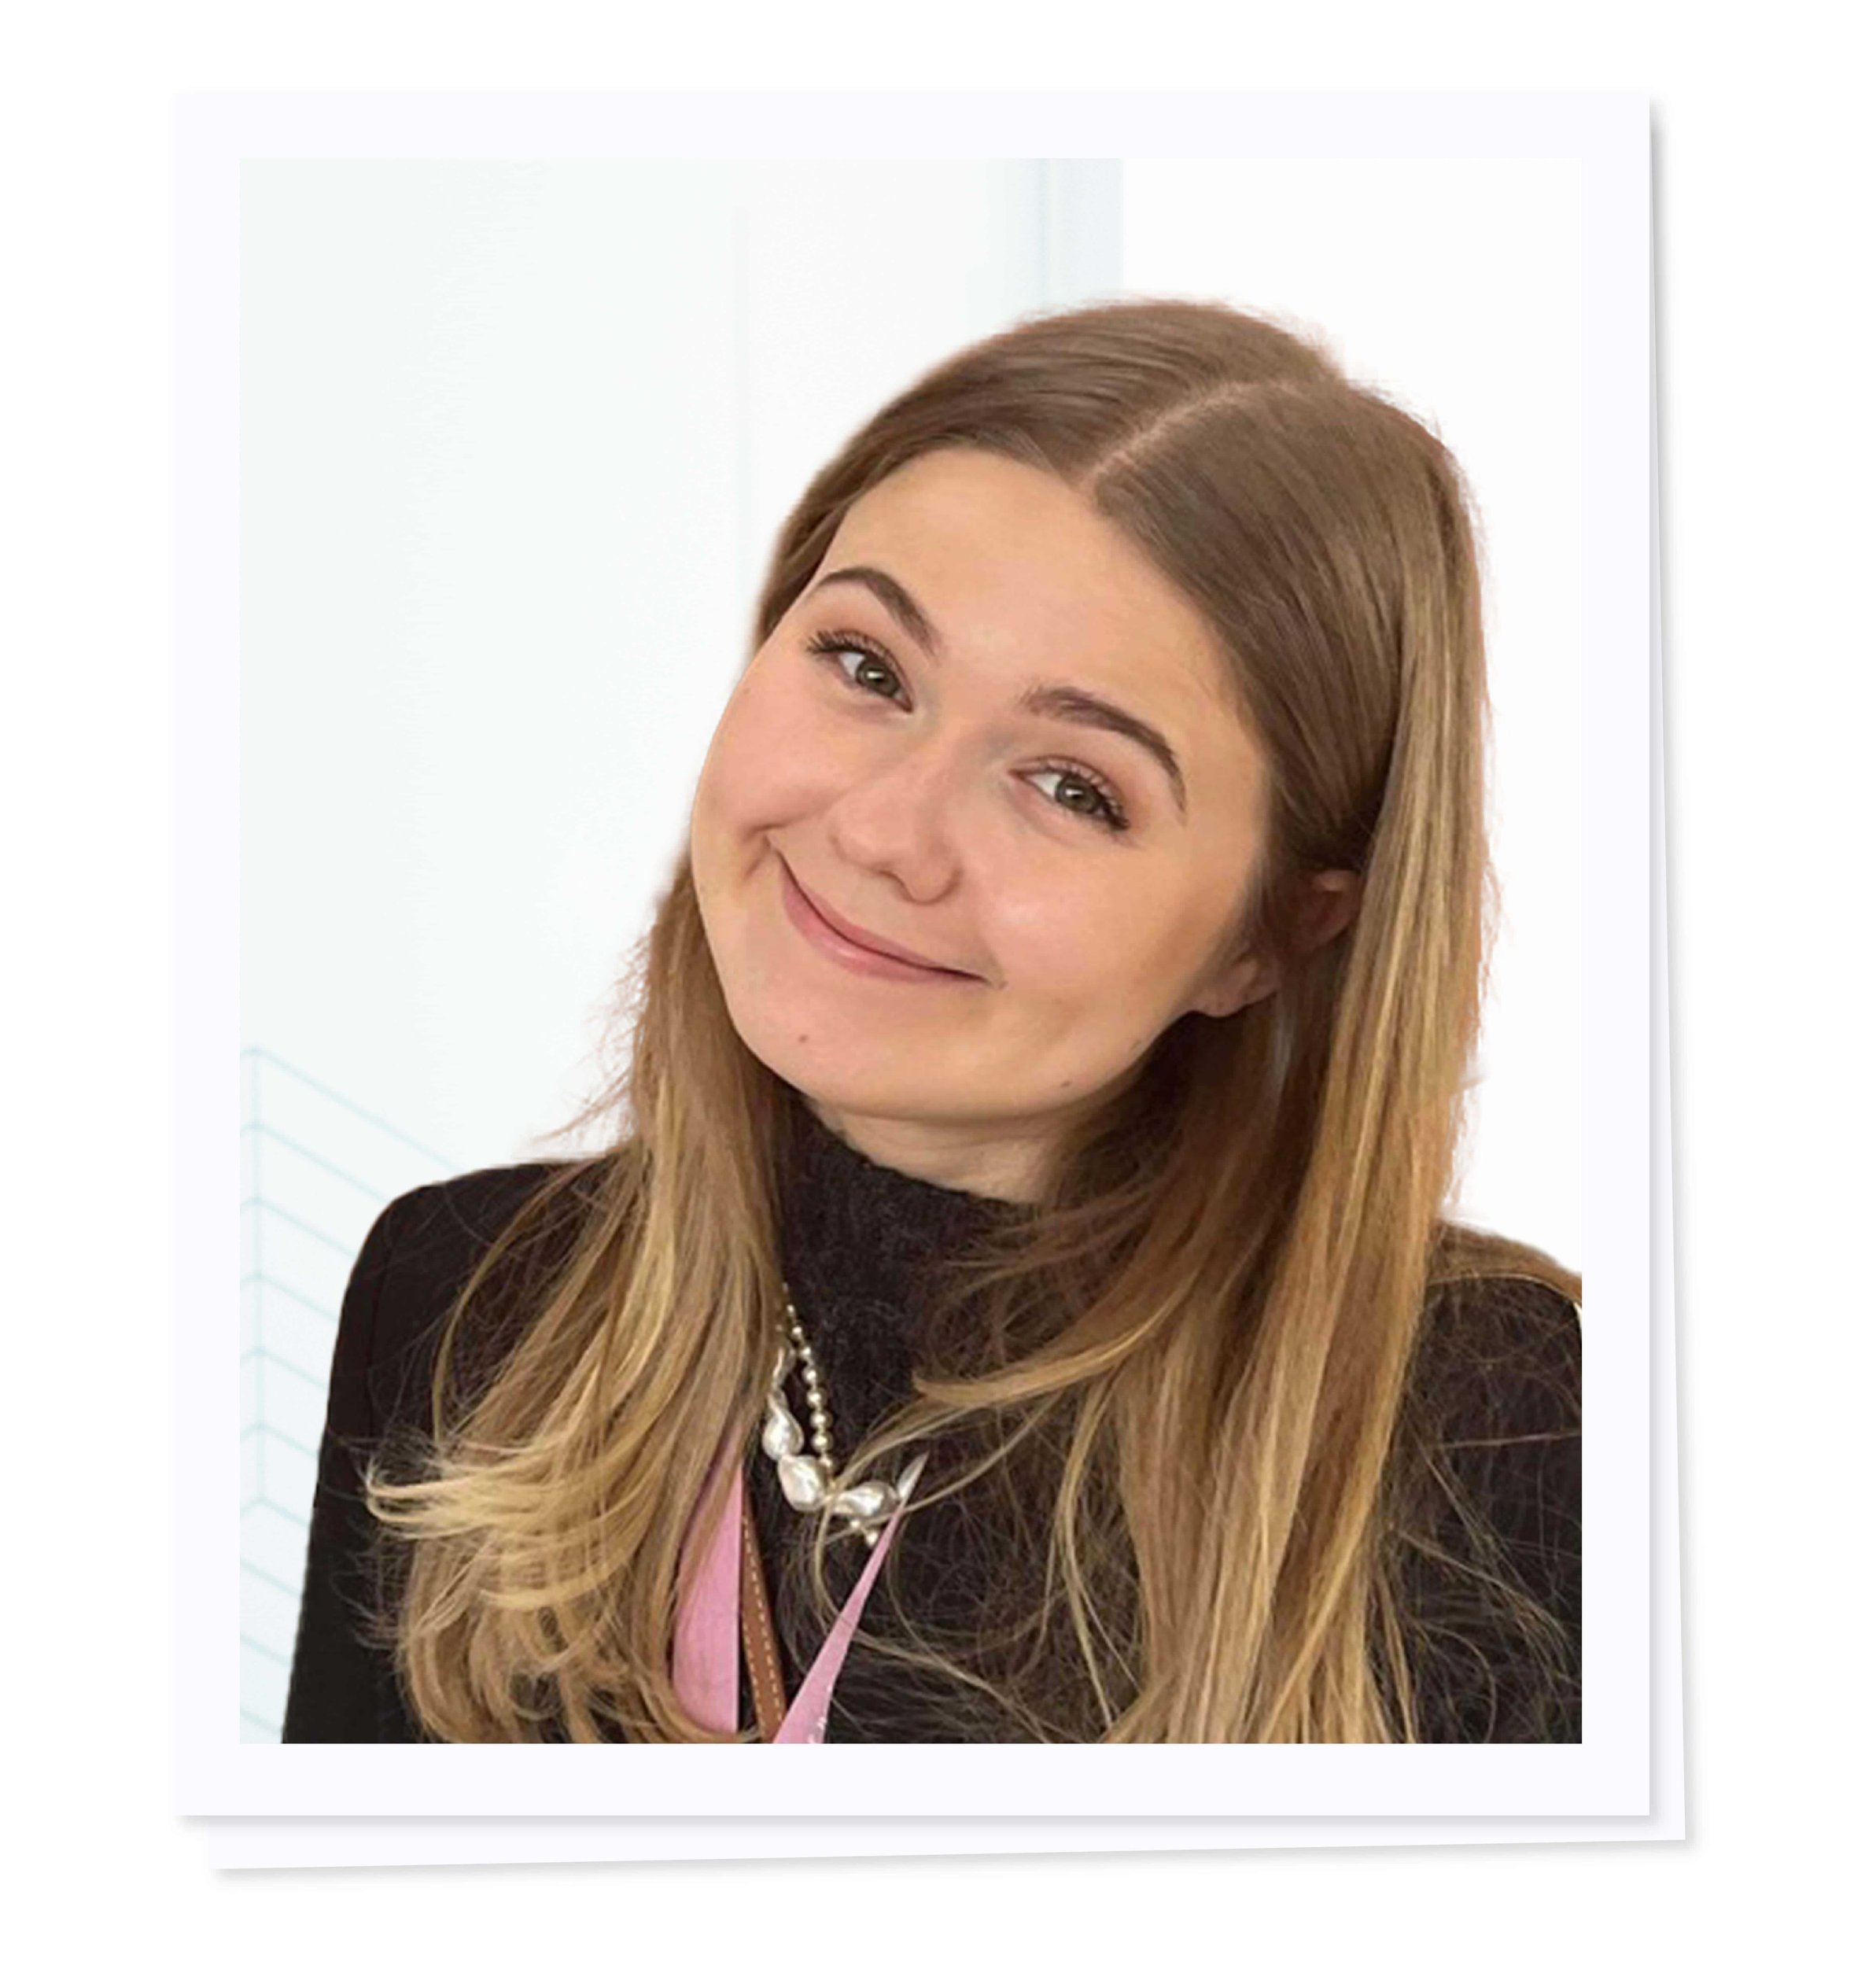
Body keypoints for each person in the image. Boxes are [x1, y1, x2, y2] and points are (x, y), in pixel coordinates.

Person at [282, 297, 1582, 1746]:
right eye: (866, 666)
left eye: (1074, 786)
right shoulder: (463, 1296)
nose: (889, 829)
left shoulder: (1495, 1427)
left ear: (1272, 935)